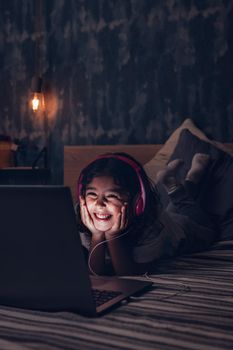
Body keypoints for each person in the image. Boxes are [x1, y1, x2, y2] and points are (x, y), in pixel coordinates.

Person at [75, 152, 218, 276]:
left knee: (207, 229)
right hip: (168, 219)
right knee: (173, 210)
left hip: (183, 233)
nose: (99, 204)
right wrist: (97, 234)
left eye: (112, 195)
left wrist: (112, 236)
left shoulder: (153, 225)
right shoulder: (85, 218)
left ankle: (192, 178)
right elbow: (96, 274)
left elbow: (128, 274)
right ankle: (173, 184)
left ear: (137, 202)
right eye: (92, 194)